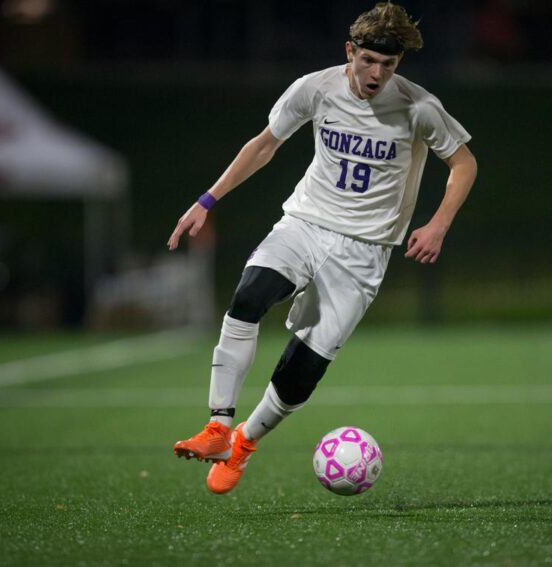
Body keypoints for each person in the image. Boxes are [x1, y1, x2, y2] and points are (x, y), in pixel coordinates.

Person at [168, 1, 477, 495]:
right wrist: (208, 199)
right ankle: (218, 425)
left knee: (302, 371)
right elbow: (266, 143)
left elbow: (464, 164)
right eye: (369, 61)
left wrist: (438, 224)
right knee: (249, 296)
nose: (377, 74)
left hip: (365, 251)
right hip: (306, 223)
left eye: (389, 65)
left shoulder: (419, 108)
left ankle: (242, 445)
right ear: (350, 51)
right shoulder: (315, 87)